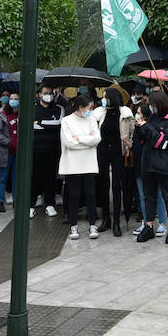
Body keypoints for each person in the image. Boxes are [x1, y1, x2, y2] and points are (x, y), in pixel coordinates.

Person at [136, 90, 168, 244]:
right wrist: (140, 127)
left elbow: (161, 142)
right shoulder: (153, 117)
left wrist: (147, 128)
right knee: (149, 195)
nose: (152, 108)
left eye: (154, 105)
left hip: (164, 164)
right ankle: (148, 226)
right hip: (148, 162)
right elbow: (144, 139)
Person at [59, 94, 103, 238]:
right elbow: (69, 143)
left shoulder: (91, 120)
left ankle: (92, 225)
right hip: (72, 164)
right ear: (81, 108)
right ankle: (73, 226)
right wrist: (87, 141)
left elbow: (97, 139)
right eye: (89, 108)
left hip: (89, 164)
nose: (91, 110)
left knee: (91, 195)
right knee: (74, 196)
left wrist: (80, 138)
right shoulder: (66, 121)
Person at [96, 87, 133, 236]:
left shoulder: (125, 114)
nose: (103, 100)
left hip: (118, 152)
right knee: (103, 185)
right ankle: (106, 219)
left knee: (117, 186)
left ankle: (117, 222)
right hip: (102, 151)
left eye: (105, 97)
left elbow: (132, 133)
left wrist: (128, 142)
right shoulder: (99, 113)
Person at [30, 84, 64, 217]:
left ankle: (50, 204)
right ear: (39, 94)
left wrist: (39, 123)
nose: (48, 95)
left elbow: (58, 123)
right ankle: (31, 205)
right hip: (35, 148)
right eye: (45, 93)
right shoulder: (32, 108)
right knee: (33, 176)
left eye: (50, 93)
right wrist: (45, 124)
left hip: (52, 149)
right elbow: (28, 125)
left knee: (50, 177)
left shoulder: (58, 108)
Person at [0, 92, 19, 213]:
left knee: (16, 178)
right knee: (2, 178)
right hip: (5, 152)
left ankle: (16, 200)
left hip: (19, 153)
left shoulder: (23, 114)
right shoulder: (2, 114)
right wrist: (9, 142)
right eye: (11, 99)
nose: (13, 100)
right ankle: (0, 200)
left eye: (16, 99)